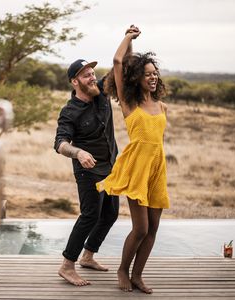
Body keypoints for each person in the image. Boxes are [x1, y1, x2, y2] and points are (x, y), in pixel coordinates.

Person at [97, 25, 170, 294]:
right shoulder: (130, 103)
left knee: (153, 229)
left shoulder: (161, 105)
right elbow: (119, 62)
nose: (152, 77)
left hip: (156, 168)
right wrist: (129, 38)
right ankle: (122, 270)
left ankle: (138, 275)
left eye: (155, 73)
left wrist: (135, 52)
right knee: (140, 228)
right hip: (136, 167)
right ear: (136, 78)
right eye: (147, 74)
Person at [54, 57, 121, 286]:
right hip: (88, 171)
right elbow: (60, 143)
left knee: (110, 214)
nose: (92, 77)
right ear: (75, 82)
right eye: (86, 75)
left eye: (92, 73)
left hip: (111, 167)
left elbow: (120, 65)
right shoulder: (69, 111)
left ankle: (88, 256)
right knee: (90, 215)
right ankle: (66, 266)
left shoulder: (101, 91)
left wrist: (128, 38)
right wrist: (78, 153)